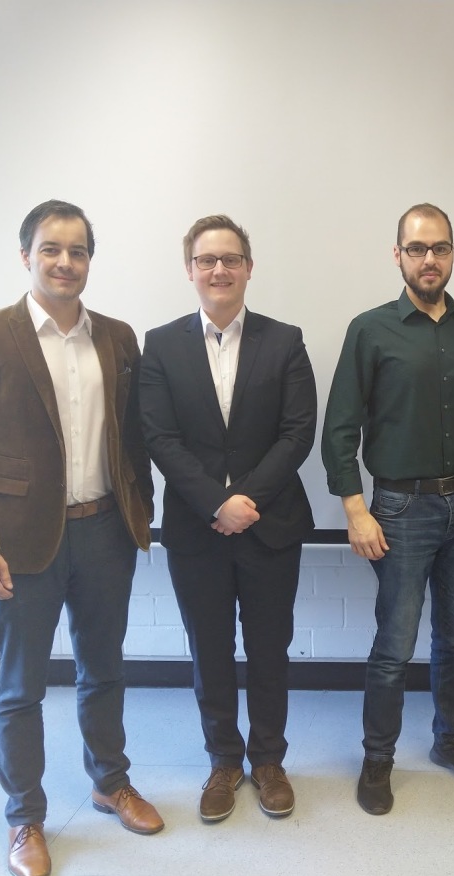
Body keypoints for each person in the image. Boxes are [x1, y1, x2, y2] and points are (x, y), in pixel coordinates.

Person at [0, 200, 162, 876]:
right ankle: (25, 817)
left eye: (78, 250)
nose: (65, 262)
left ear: (90, 260)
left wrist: (140, 513)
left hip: (104, 532)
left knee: (105, 670)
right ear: (26, 256)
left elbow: (133, 438)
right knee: (20, 688)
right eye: (51, 249)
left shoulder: (117, 338)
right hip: (21, 542)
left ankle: (110, 782)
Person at [321, 203, 454, 815]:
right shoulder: (371, 329)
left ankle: (450, 740)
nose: (429, 259)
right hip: (400, 509)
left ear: (452, 254)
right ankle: (378, 757)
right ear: (398, 254)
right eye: (417, 248)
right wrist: (356, 510)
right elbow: (340, 427)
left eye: (440, 248)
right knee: (395, 646)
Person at [140, 215, 316, 823]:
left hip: (270, 526)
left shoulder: (284, 340)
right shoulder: (161, 344)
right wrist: (216, 503)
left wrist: (245, 501)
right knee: (209, 650)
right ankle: (223, 761)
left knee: (269, 650)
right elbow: (160, 437)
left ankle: (269, 761)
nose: (219, 270)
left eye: (231, 259)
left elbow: (297, 433)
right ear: (190, 269)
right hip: (196, 529)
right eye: (207, 260)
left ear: (248, 267)